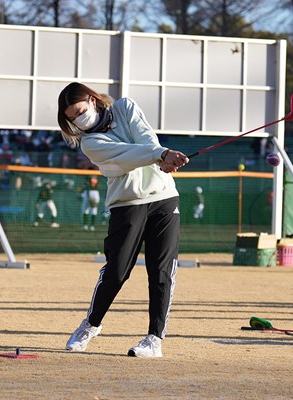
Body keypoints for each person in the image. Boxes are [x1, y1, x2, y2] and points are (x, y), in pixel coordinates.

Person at [57, 82, 188, 357]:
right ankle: (90, 325)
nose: (79, 120)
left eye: (80, 111)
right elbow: (128, 156)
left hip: (164, 197)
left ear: (92, 100)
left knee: (162, 270)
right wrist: (160, 155)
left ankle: (154, 339)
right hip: (126, 203)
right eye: (72, 118)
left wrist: (159, 155)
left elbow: (146, 139)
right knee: (116, 272)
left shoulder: (125, 107)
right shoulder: (90, 143)